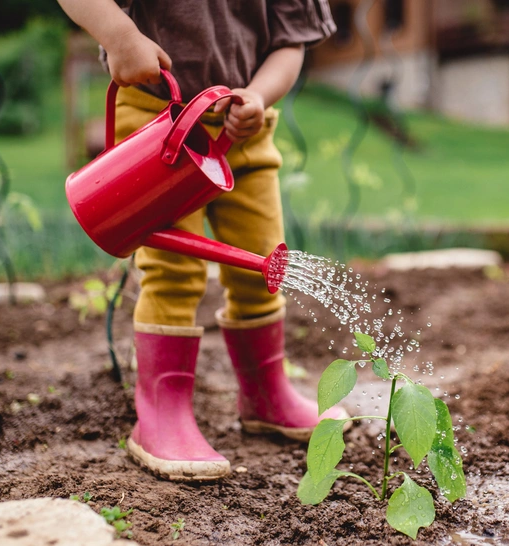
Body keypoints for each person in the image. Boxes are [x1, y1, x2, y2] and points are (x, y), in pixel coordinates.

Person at [57, 0, 349, 481]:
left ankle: (266, 392)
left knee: (262, 265)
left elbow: (290, 43)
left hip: (244, 130)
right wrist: (121, 36)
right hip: (157, 123)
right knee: (174, 273)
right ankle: (161, 412)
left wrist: (258, 95)